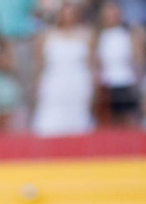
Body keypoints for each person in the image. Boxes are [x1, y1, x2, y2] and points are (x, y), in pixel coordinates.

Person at [32, 0, 95, 135]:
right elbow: (40, 65)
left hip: (78, 82)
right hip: (54, 83)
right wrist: (37, 86)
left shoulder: (86, 35)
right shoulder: (46, 36)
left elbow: (90, 64)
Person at [94, 0, 144, 125]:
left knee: (128, 121)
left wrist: (138, 85)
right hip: (106, 85)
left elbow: (137, 60)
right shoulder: (98, 36)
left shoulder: (129, 34)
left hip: (126, 82)